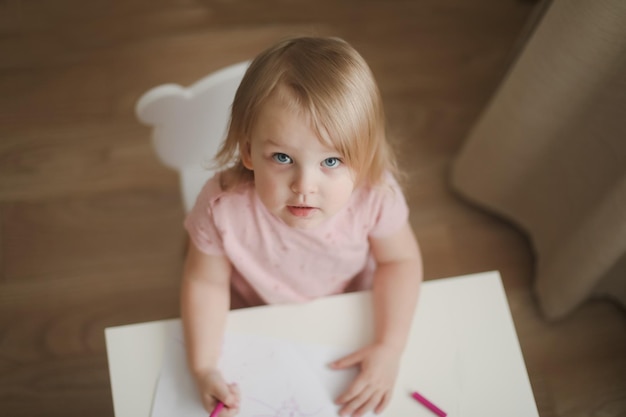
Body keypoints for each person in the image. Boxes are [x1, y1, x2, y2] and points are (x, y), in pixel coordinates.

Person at [181, 36, 423, 417]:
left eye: (331, 162)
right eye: (282, 157)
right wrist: (203, 366)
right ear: (247, 151)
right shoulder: (221, 208)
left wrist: (390, 347)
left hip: (348, 314)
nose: (304, 187)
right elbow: (205, 281)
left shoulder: (375, 196)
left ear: (364, 154)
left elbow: (400, 262)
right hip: (255, 314)